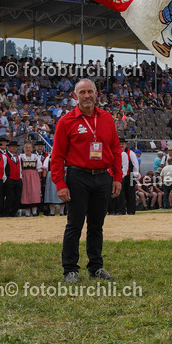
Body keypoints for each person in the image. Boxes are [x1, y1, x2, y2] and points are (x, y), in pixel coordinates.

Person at [50, 79, 122, 283]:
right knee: (74, 224)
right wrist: (60, 183)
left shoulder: (107, 118)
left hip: (102, 177)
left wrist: (117, 177)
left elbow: (115, 149)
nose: (87, 95)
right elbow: (57, 156)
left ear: (96, 94)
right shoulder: (66, 121)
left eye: (90, 91)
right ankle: (70, 269)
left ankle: (96, 267)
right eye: (82, 92)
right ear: (75, 96)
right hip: (77, 177)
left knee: (97, 225)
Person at [19, 142, 43, 216]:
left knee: (34, 193)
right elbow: (19, 167)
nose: (28, 149)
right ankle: (27, 213)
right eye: (27, 148)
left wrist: (38, 177)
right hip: (25, 176)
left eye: (29, 148)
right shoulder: (21, 157)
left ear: (32, 149)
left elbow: (39, 168)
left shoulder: (35, 157)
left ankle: (35, 211)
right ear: (24, 149)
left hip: (34, 176)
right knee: (26, 193)